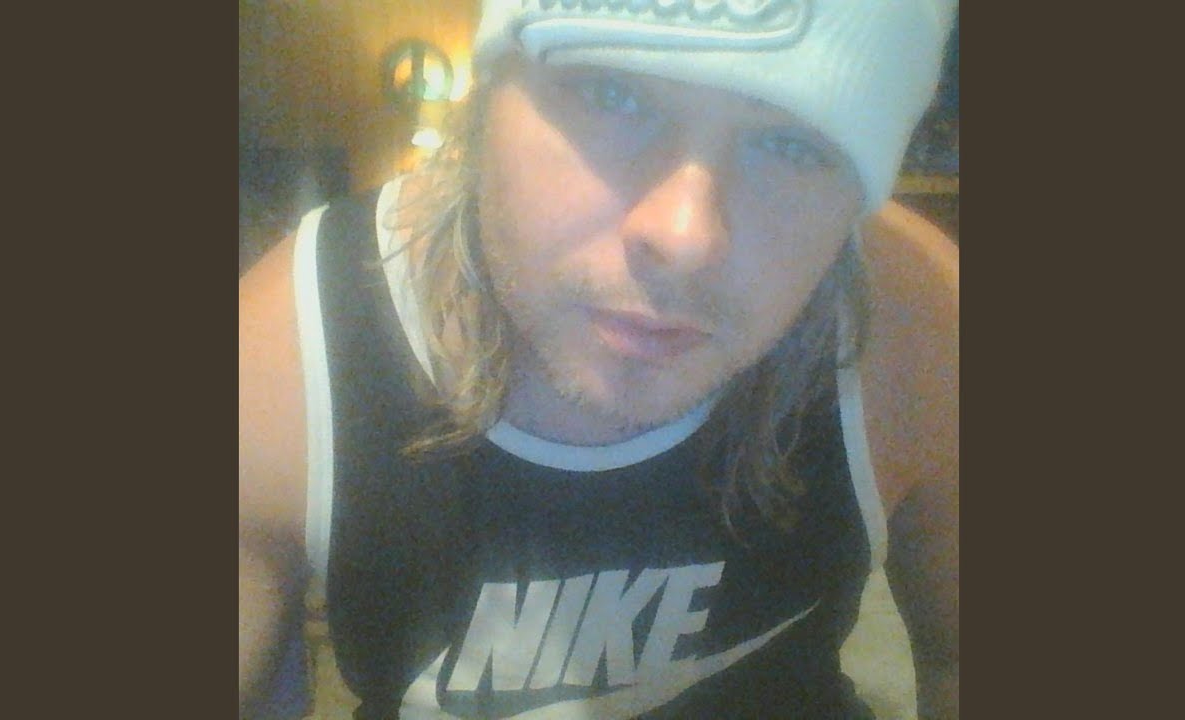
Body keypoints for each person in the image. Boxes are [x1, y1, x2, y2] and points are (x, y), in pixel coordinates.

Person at [240, 1, 959, 718]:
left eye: (793, 145)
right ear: (486, 104)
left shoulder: (916, 322)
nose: (684, 237)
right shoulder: (281, 363)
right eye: (611, 94)